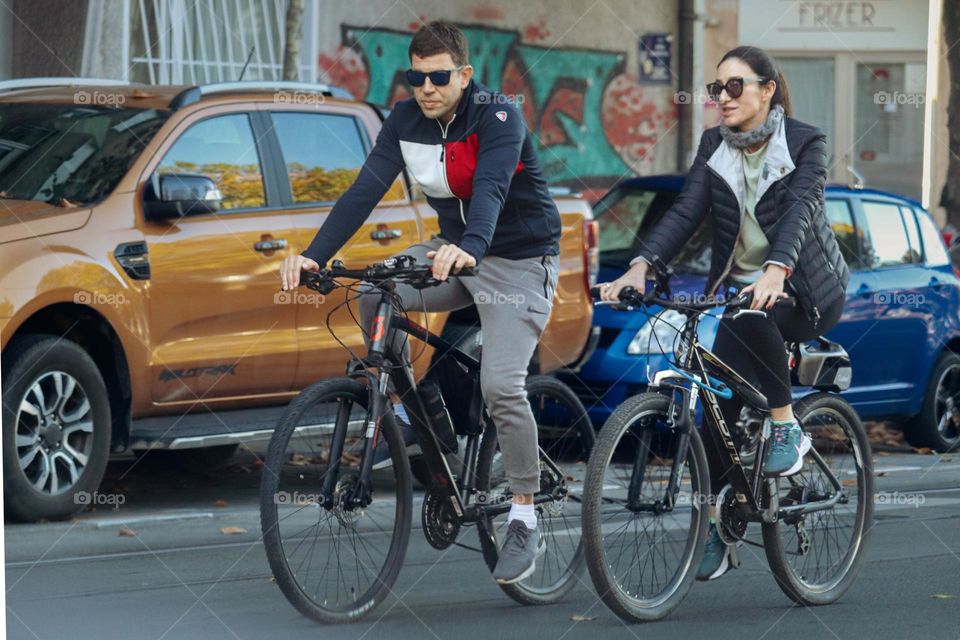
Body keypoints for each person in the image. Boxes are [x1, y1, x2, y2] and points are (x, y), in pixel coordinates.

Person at [279, 21, 561, 585]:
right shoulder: (406, 120)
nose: (426, 88)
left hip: (518, 260)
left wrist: (471, 248)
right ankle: (415, 416)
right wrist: (313, 255)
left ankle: (525, 516)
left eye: (438, 77)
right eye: (416, 77)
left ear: (464, 74)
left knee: (502, 386)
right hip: (449, 250)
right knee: (375, 293)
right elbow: (365, 189)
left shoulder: (498, 115)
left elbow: (493, 189)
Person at [601, 46, 849, 581]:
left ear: (768, 90)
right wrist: (640, 266)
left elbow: (801, 209)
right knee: (716, 407)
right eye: (717, 88)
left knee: (750, 319)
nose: (722, 97)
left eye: (736, 86)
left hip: (808, 291)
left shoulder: (806, 142)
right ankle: (718, 521)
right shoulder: (715, 144)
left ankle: (787, 429)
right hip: (741, 294)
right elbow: (686, 210)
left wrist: (777, 269)